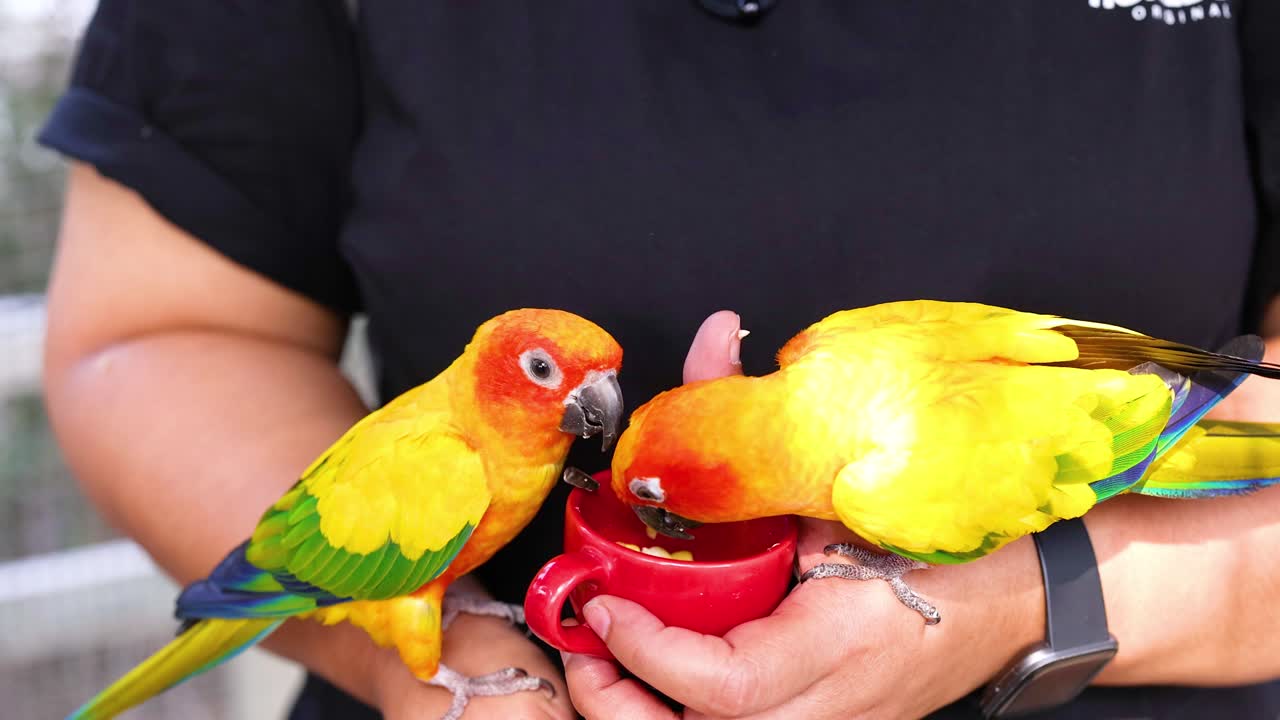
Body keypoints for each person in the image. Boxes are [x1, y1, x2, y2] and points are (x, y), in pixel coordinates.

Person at [38, 2, 1280, 718]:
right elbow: (161, 330)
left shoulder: (896, 485)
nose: (593, 414)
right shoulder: (445, 479)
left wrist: (1032, 598)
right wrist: (461, 678)